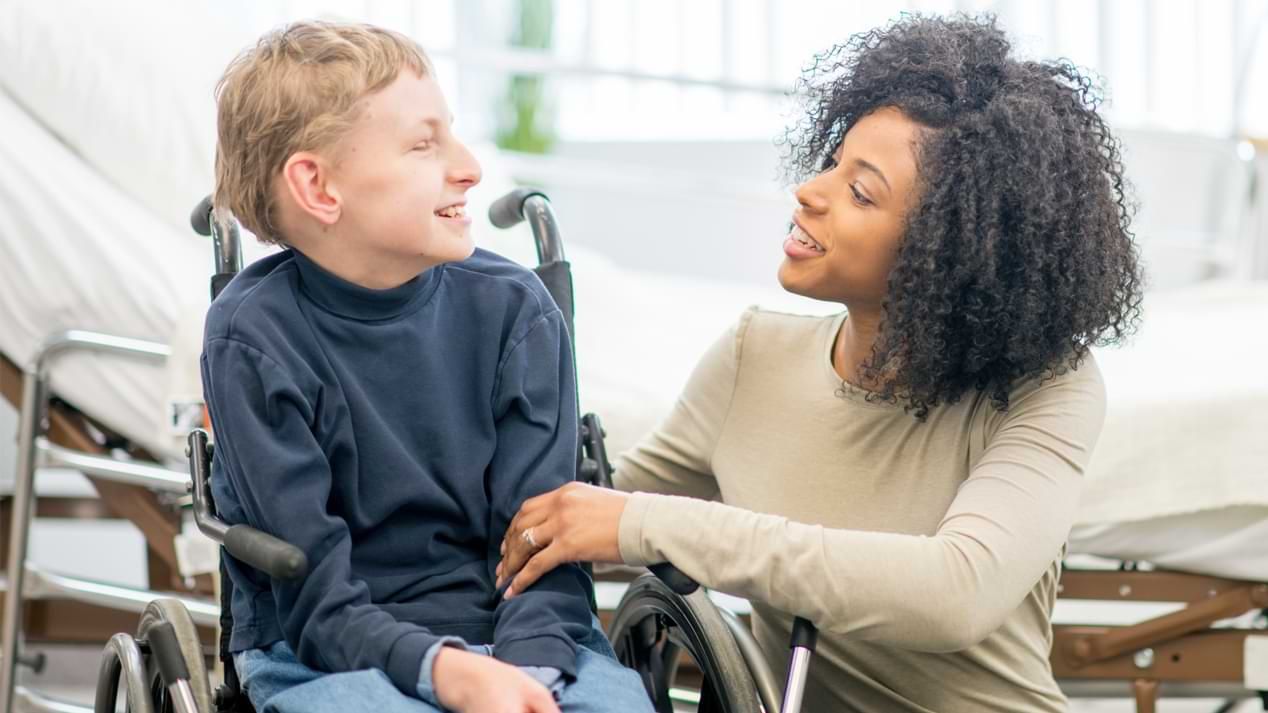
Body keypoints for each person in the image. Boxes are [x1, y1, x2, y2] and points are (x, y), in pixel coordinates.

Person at [496, 14, 1144, 712]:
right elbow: (593, 512)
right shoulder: (753, 357)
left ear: (953, 250)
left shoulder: (1049, 389)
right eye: (834, 161)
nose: (811, 191)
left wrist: (645, 522)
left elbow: (955, 592)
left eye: (862, 191)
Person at [202, 20, 652, 713]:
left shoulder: (516, 312)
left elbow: (545, 548)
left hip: (526, 636)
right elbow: (315, 601)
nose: (469, 167)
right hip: (321, 652)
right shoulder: (252, 338)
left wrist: (527, 677)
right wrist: (446, 674)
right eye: (424, 144)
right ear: (319, 187)